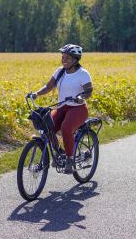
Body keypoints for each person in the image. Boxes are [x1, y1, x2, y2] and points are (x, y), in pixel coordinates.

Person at [29, 44, 93, 174]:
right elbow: (48, 87)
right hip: (62, 108)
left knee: (66, 128)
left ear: (75, 60)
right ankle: (59, 152)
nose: (64, 60)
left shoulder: (83, 74)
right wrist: (36, 94)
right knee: (47, 126)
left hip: (78, 109)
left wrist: (81, 97)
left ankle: (70, 160)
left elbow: (89, 91)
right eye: (63, 57)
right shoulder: (59, 71)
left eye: (67, 58)